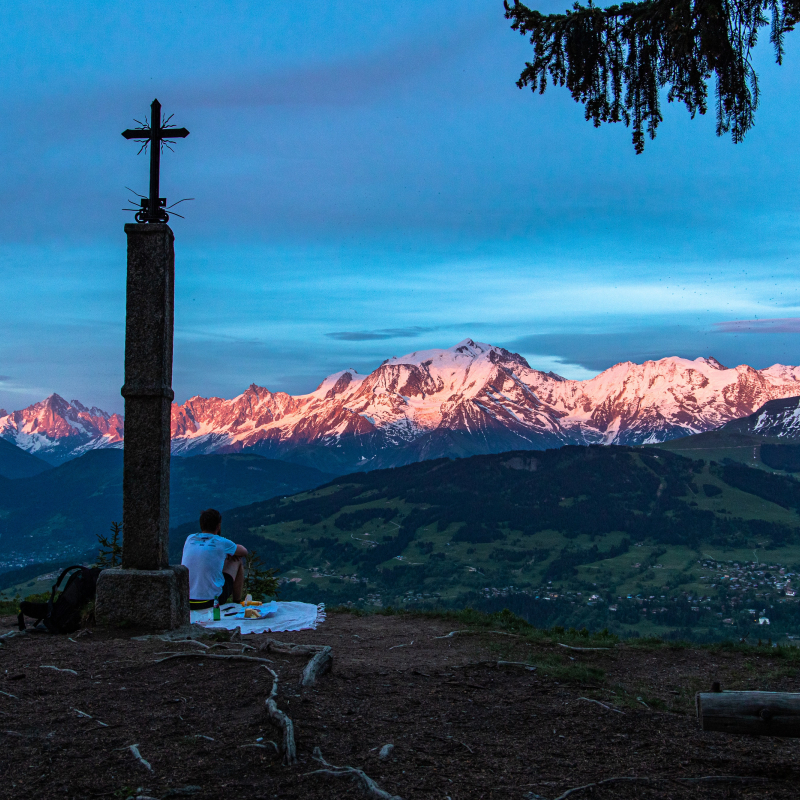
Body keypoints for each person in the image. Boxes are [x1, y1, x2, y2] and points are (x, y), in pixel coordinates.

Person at [182, 508, 248, 610]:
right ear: (218, 526)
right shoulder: (220, 542)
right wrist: (228, 553)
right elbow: (244, 551)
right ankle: (237, 602)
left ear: (201, 525)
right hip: (212, 601)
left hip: (186, 600)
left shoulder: (190, 539)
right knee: (238, 560)